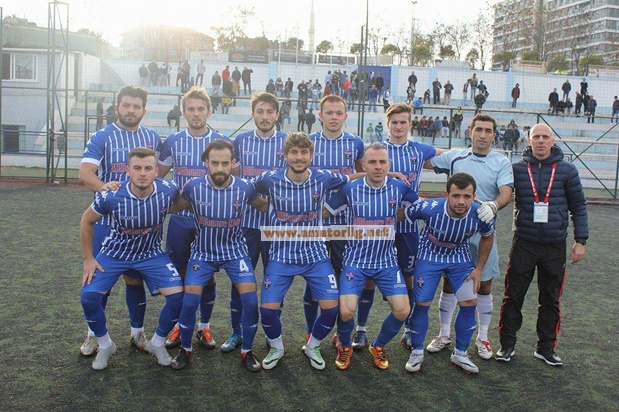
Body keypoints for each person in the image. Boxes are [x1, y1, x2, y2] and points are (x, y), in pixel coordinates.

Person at [253, 133, 361, 371]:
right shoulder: (270, 179)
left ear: (311, 156)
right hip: (281, 256)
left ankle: (313, 345)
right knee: (267, 312)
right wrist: (265, 207)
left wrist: (387, 175)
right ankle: (277, 347)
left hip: (315, 255)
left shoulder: (323, 177)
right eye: (294, 152)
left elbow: (350, 178)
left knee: (331, 309)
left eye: (304, 152)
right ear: (285, 155)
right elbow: (247, 190)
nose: (299, 157)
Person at [80, 147, 184, 370]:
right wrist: (88, 258)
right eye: (137, 168)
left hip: (151, 253)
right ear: (127, 171)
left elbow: (180, 204)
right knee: (88, 297)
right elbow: (86, 220)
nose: (142, 173)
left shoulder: (168, 189)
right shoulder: (111, 195)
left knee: (178, 297)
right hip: (114, 254)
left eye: (148, 168)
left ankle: (157, 343)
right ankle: (105, 345)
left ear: (156, 171)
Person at [352, 103, 444, 351]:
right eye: (394, 122)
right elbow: (362, 175)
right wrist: (391, 176)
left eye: (403, 122)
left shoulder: (420, 149)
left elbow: (447, 154)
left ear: (410, 124)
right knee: (369, 278)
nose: (399, 126)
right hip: (378, 226)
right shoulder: (377, 150)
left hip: (407, 227)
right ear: (388, 124)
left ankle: (409, 329)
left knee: (409, 277)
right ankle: (361, 329)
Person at [169, 140, 267, 372]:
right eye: (215, 163)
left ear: (233, 163)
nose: (220, 168)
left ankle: (247, 351)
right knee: (189, 302)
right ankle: (185, 349)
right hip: (202, 253)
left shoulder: (245, 187)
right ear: (206, 163)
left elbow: (265, 206)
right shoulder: (194, 186)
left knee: (250, 302)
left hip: (235, 252)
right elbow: (173, 207)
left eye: (225, 163)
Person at [78, 85, 162, 358]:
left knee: (134, 279)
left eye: (136, 106)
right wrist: (104, 188)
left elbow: (158, 174)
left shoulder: (152, 137)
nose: (131, 110)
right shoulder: (102, 136)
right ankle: (94, 335)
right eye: (126, 105)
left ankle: (137, 332)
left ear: (144, 110)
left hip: (139, 224)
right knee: (98, 281)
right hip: (106, 222)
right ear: (117, 108)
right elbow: (85, 172)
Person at [496, 123, 588, 366]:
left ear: (552, 141)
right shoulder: (516, 169)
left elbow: (578, 206)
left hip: (554, 245)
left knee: (550, 299)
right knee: (513, 295)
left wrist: (580, 241)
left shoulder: (567, 170)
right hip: (523, 243)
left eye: (545, 137)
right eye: (536, 136)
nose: (540, 141)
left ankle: (545, 348)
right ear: (529, 141)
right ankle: (507, 345)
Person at [426, 114, 513, 361]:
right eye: (479, 129)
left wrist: (493, 206)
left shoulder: (501, 161)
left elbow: (507, 192)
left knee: (484, 284)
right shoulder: (455, 156)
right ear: (470, 131)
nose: (483, 135)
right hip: (454, 232)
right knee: (449, 283)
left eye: (488, 131)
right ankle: (444, 334)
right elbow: (421, 160)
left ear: (494, 135)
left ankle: (483, 337)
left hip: (483, 234)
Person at [326, 144, 419, 370]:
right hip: (355, 261)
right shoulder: (350, 189)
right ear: (364, 165)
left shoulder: (399, 187)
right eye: (373, 162)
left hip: (387, 262)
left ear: (389, 164)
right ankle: (344, 345)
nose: (378, 167)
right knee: (346, 311)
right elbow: (325, 211)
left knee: (402, 310)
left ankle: (378, 346)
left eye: (382, 162)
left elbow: (420, 207)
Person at [157, 87, 230, 350]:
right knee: (180, 273)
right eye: (191, 109)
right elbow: (158, 177)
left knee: (207, 275)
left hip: (210, 222)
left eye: (201, 109)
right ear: (183, 112)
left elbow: (233, 180)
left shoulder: (222, 141)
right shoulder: (173, 141)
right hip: (181, 219)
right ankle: (180, 324)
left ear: (209, 111)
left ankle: (204, 326)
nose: (196, 113)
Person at [404, 173, 495, 374]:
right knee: (421, 303)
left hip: (459, 257)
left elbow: (488, 237)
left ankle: (460, 353)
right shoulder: (429, 208)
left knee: (469, 302)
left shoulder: (481, 214)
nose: (461, 201)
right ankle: (417, 351)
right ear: (446, 195)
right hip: (429, 255)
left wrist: (479, 269)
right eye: (456, 196)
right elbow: (403, 217)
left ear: (474, 197)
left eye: (467, 196)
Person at [303, 95, 365, 348]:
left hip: (345, 224)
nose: (334, 117)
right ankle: (311, 332)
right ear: (320, 115)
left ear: (345, 116)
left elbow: (363, 174)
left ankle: (342, 333)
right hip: (315, 225)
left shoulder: (355, 143)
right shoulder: (308, 142)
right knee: (313, 279)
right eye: (329, 112)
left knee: (343, 279)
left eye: (339, 113)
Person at [228, 92, 287, 352]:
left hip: (277, 226)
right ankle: (237, 331)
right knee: (241, 278)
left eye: (269, 112)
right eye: (260, 111)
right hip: (246, 224)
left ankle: (272, 333)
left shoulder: (286, 142)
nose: (264, 117)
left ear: (277, 115)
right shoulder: (240, 141)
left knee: (275, 281)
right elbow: (232, 177)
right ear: (252, 114)